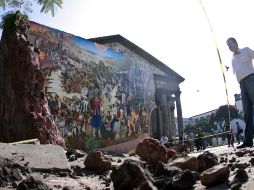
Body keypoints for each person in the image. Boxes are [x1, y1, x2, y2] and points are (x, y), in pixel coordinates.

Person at [226, 37, 254, 149]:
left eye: (231, 43)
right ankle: (248, 141)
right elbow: (238, 72)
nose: (230, 46)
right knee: (247, 113)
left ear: (236, 42)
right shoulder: (232, 60)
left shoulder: (246, 50)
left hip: (251, 79)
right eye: (228, 45)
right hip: (242, 84)